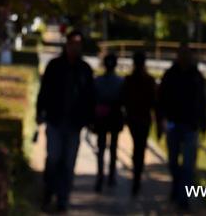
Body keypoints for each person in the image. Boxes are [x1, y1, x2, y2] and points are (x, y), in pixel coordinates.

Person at [36, 29, 95, 213]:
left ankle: (63, 199)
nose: (75, 48)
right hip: (55, 120)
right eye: (72, 44)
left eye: (78, 44)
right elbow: (44, 91)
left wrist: (89, 119)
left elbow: (90, 96)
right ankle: (49, 191)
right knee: (53, 159)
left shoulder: (84, 69)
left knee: (68, 163)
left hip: (74, 124)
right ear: (67, 45)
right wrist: (40, 112)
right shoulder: (55, 66)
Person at [158, 43, 206, 211]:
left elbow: (202, 101)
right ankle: (176, 185)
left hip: (190, 125)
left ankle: (183, 197)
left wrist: (203, 122)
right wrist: (162, 121)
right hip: (173, 123)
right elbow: (161, 99)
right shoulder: (170, 75)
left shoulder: (196, 76)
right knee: (173, 161)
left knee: (188, 164)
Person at [122, 49, 158, 196]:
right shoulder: (148, 80)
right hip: (142, 119)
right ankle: (137, 172)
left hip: (135, 119)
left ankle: (136, 173)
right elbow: (155, 102)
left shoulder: (130, 80)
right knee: (140, 147)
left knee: (138, 146)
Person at [93, 53, 124, 192]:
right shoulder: (120, 82)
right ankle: (110, 176)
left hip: (102, 118)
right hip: (114, 118)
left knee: (101, 149)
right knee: (112, 148)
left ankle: (101, 175)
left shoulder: (98, 81)